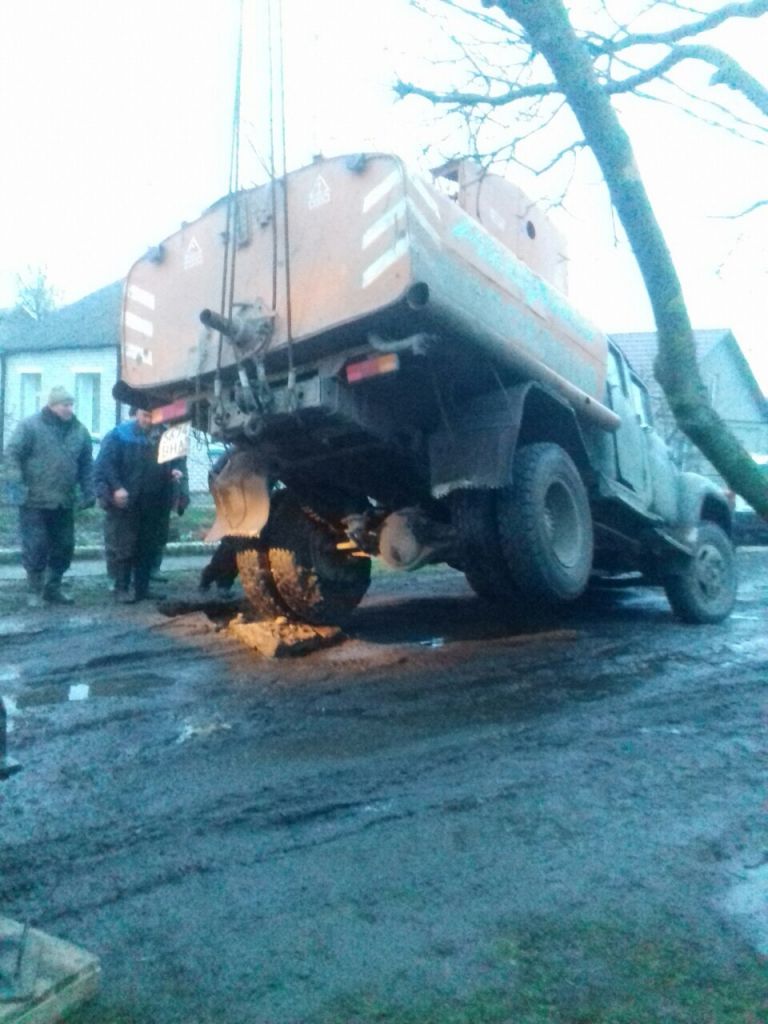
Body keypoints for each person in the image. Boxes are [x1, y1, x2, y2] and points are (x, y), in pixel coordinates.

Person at [5, 385, 95, 608]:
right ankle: (34, 590)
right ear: (52, 405)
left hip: (64, 500)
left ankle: (53, 587)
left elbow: (86, 464)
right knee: (36, 546)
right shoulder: (30, 426)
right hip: (34, 499)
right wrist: (16, 481)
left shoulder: (79, 431)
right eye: (65, 405)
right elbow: (12, 454)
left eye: (71, 404)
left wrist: (89, 491)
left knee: (65, 546)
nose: (69, 409)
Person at [94, 407, 187, 603]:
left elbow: (178, 462)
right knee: (125, 546)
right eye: (145, 415)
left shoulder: (167, 436)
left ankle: (142, 589)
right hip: (127, 501)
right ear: (136, 414)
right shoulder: (119, 435)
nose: (149, 420)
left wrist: (175, 471)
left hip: (155, 501)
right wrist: (116, 488)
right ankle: (121, 588)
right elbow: (104, 465)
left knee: (148, 546)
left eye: (153, 416)